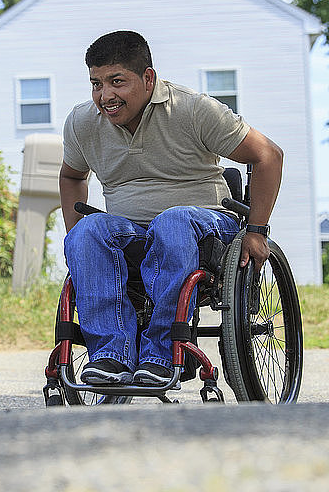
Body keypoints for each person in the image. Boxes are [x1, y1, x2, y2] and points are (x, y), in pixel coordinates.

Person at [60, 31, 283, 386]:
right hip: (132, 233)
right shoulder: (83, 122)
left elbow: (268, 155)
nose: (105, 96)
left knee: (173, 221)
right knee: (87, 231)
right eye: (96, 84)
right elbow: (72, 177)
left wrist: (257, 231)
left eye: (117, 81)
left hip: (206, 227)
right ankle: (110, 356)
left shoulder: (193, 109)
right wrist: (79, 242)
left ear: (148, 78)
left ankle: (162, 353)